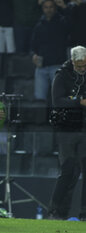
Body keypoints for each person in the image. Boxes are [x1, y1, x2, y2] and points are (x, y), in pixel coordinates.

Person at [48, 45, 86, 221]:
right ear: (72, 62)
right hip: (67, 130)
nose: (82, 69)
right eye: (79, 66)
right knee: (68, 170)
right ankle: (57, 212)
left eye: (84, 65)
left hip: (83, 128)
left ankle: (84, 214)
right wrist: (80, 102)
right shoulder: (61, 75)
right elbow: (57, 101)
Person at [31, 0, 69, 101]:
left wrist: (64, 7)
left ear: (55, 8)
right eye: (46, 7)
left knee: (58, 98)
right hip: (41, 66)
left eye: (51, 7)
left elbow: (73, 24)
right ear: (43, 9)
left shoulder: (62, 22)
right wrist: (34, 54)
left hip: (57, 65)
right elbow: (33, 45)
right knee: (39, 98)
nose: (48, 10)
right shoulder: (39, 25)